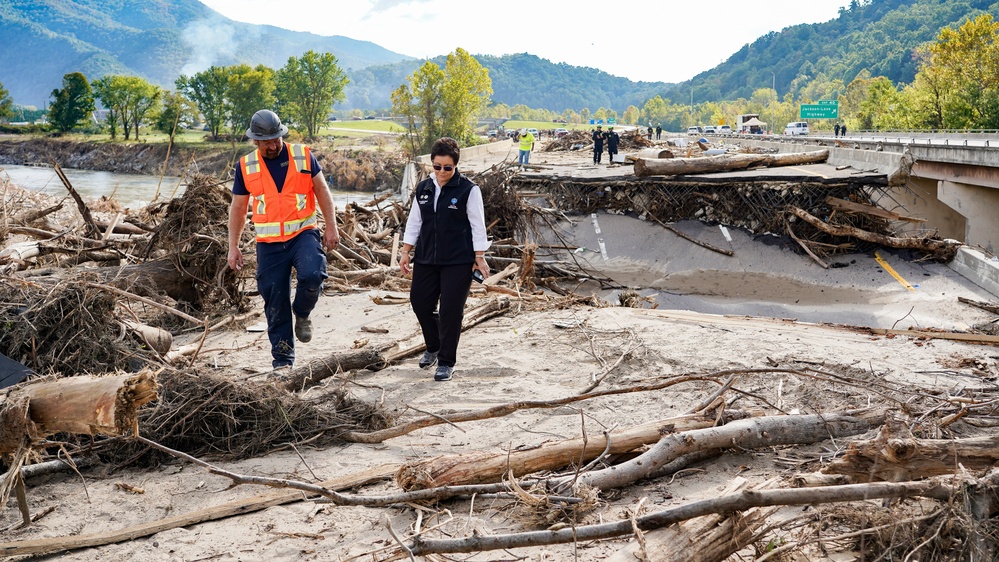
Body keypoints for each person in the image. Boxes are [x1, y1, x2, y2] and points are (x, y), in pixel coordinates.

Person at [227, 109, 340, 369]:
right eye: (266, 141)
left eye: (276, 138)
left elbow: (322, 190)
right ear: (255, 141)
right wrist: (233, 247)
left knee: (313, 274)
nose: (273, 145)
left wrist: (331, 227)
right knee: (275, 302)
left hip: (303, 233)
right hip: (269, 245)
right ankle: (283, 363)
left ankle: (302, 313)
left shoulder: (302, 155)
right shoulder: (246, 166)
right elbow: (238, 208)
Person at [400, 137, 490, 382]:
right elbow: (415, 222)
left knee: (451, 311)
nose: (441, 172)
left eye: (447, 168)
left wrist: (479, 257)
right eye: (436, 167)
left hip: (458, 260)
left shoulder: (468, 190)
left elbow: (477, 226)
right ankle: (434, 345)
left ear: (455, 166)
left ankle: (446, 362)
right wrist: (406, 251)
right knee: (419, 302)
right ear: (431, 164)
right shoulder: (424, 188)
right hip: (426, 258)